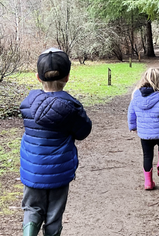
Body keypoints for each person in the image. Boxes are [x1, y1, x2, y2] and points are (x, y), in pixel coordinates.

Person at [19, 48, 92, 236]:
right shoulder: (72, 107)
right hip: (59, 171)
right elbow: (83, 131)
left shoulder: (27, 103)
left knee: (32, 209)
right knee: (54, 215)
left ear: (38, 77)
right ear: (67, 77)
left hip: (33, 168)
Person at [128, 68, 159, 190]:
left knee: (147, 156)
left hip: (144, 135)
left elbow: (131, 113)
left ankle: (148, 183)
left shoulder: (136, 97)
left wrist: (133, 126)